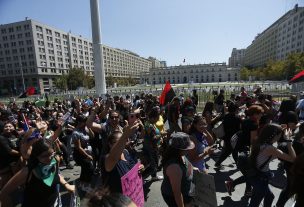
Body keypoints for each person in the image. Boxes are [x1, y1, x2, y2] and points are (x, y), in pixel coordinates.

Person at [0, 138, 74, 207]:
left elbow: (56, 174)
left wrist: (66, 184)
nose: (49, 158)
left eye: (51, 153)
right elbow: (4, 192)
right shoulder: (28, 171)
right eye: (44, 156)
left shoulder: (55, 160)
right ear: (36, 156)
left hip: (53, 203)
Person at [248, 124, 296, 207]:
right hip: (261, 178)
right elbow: (293, 159)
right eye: (279, 135)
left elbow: (270, 130)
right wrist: (289, 141)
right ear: (274, 136)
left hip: (256, 174)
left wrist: (278, 128)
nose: (280, 137)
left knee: (270, 197)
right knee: (254, 203)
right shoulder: (270, 149)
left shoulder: (258, 141)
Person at [101, 121, 142, 194]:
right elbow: (113, 158)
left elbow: (134, 166)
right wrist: (125, 135)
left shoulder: (126, 152)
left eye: (124, 141)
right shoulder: (107, 158)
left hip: (130, 193)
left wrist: (141, 167)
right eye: (118, 142)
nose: (122, 144)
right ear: (110, 144)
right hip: (116, 197)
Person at [161, 132, 195, 207]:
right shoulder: (174, 167)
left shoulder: (181, 155)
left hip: (186, 192)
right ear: (178, 149)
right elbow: (177, 193)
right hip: (174, 197)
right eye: (186, 148)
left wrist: (193, 169)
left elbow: (185, 166)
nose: (188, 150)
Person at [72, 114, 95, 192]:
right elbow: (78, 147)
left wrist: (89, 128)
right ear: (79, 122)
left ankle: (81, 184)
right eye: (84, 121)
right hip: (80, 154)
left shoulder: (85, 128)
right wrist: (87, 155)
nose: (85, 123)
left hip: (87, 152)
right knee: (89, 169)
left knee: (84, 169)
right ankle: (86, 186)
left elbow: (92, 136)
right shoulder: (76, 133)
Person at [215, 102, 241, 168]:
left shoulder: (225, 116)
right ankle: (218, 163)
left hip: (226, 136)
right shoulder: (237, 118)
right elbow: (239, 129)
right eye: (237, 109)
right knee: (229, 151)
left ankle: (238, 164)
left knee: (233, 151)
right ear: (235, 110)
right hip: (233, 137)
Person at [143, 108, 164, 181]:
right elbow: (153, 139)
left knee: (152, 163)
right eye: (157, 118)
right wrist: (161, 134)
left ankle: (154, 176)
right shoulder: (150, 126)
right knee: (153, 164)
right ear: (153, 117)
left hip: (150, 147)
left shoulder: (149, 123)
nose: (157, 120)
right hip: (151, 148)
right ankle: (142, 179)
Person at [0, 122, 21, 189]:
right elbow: (10, 151)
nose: (8, 128)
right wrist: (21, 154)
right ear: (3, 129)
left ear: (14, 127)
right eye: (6, 126)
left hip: (17, 159)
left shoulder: (15, 135)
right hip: (8, 162)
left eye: (10, 126)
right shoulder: (1, 137)